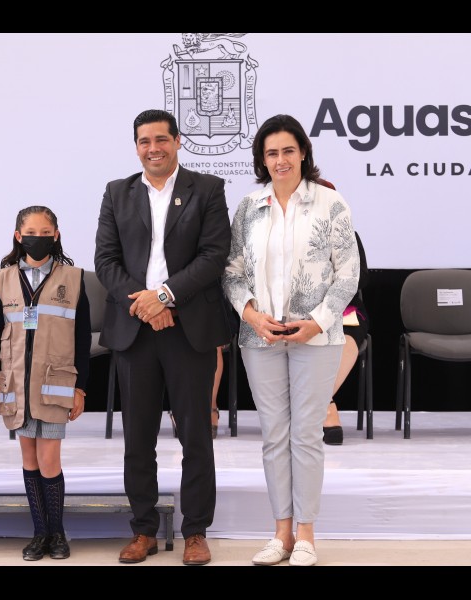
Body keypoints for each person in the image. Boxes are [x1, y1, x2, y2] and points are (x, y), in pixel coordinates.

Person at [94, 109, 232, 566]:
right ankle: (143, 530)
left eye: (160, 139)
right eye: (144, 141)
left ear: (177, 141)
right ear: (136, 146)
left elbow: (214, 255)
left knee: (195, 435)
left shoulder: (207, 189)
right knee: (138, 438)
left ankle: (195, 532)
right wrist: (144, 304)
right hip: (136, 328)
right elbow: (106, 260)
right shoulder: (117, 192)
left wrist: (165, 297)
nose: (152, 148)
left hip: (188, 327)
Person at [223, 114, 359, 567]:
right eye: (271, 153)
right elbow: (232, 272)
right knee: (274, 436)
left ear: (303, 153)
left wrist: (317, 322)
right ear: (262, 160)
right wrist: (250, 314)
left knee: (306, 435)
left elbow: (348, 273)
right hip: (259, 336)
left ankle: (306, 536)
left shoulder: (330, 202)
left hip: (316, 338)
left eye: (287, 150)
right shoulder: (248, 207)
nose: (280, 160)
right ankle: (280, 533)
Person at [0, 206, 91, 561]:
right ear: (18, 236)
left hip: (55, 385)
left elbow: (81, 337)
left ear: (56, 235)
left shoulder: (73, 279)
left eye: (46, 233)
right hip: (16, 384)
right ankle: (39, 533)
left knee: (49, 460)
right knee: (29, 458)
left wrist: (80, 388)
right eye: (31, 232)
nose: (38, 238)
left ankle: (57, 533)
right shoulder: (2, 279)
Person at [316, 181, 370, 446]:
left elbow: (360, 279)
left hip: (343, 307)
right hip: (297, 309)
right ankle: (325, 406)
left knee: (347, 335)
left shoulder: (348, 236)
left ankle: (319, 401)